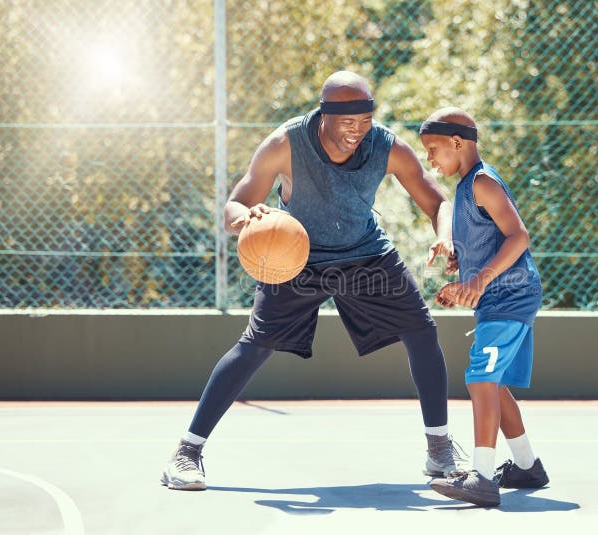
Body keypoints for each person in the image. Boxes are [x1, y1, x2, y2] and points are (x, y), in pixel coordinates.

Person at [161, 71, 459, 490]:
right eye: (347, 122)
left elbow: (436, 201)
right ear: (324, 116)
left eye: (365, 120)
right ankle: (186, 452)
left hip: (366, 255)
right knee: (255, 345)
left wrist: (445, 237)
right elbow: (235, 203)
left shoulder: (387, 146)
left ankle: (439, 449)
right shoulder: (285, 144)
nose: (357, 131)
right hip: (295, 259)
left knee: (422, 331)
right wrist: (244, 219)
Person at [418, 107, 549, 507]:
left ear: (458, 143)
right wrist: (463, 273)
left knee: (479, 377)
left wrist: (479, 280)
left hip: (510, 295)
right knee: (493, 383)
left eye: (434, 149)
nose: (430, 159)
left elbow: (518, 237)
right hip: (497, 297)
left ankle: (483, 476)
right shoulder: (464, 190)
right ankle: (526, 466)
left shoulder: (483, 182)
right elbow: (486, 242)